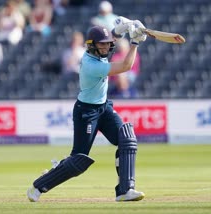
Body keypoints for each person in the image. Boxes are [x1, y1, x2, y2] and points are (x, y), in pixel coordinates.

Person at [27, 19, 147, 202]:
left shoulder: (98, 53)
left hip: (104, 107)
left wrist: (123, 27)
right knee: (79, 161)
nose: (106, 47)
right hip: (87, 112)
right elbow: (125, 66)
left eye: (108, 44)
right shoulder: (92, 65)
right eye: (102, 44)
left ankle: (125, 190)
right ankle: (39, 185)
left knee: (127, 139)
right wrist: (135, 42)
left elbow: (111, 35)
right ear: (92, 46)